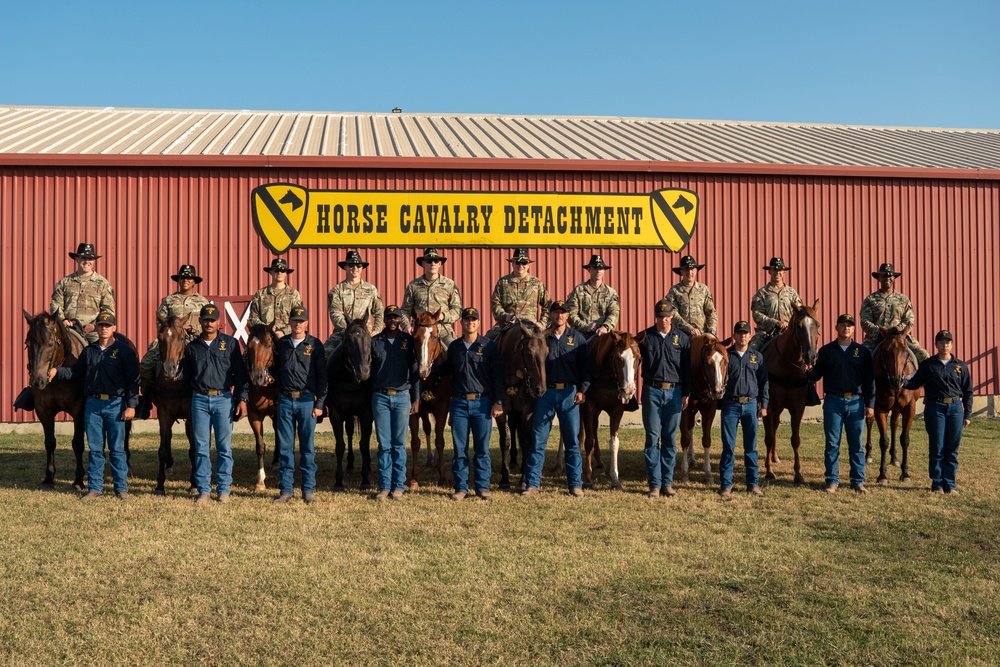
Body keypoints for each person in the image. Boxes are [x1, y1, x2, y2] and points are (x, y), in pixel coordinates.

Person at [50, 312, 138, 500]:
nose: (104, 328)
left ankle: (121, 488)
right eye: (101, 325)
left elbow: (132, 381)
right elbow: (76, 372)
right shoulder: (89, 351)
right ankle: (95, 488)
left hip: (115, 404)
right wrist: (57, 371)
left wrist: (131, 405)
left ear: (114, 328)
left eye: (108, 325)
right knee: (95, 449)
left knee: (116, 449)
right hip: (93, 405)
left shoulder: (124, 352)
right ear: (96, 328)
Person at [522, 301, 591, 498]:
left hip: (569, 393)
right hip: (546, 394)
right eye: (555, 313)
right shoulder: (543, 338)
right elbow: (532, 361)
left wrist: (582, 390)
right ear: (550, 316)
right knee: (538, 440)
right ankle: (533, 484)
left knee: (572, 441)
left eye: (563, 313)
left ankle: (574, 484)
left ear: (568, 316)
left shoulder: (577, 338)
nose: (559, 316)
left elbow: (586, 368)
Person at [183, 304, 249, 504]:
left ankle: (223, 489)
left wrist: (242, 399)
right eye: (205, 319)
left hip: (223, 399)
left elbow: (240, 374)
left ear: (219, 323)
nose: (209, 323)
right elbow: (187, 376)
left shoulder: (230, 344)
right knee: (201, 447)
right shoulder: (192, 347)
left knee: (224, 447)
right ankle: (203, 489)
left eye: (212, 320)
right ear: (200, 322)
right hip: (200, 400)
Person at [437, 307, 504, 500]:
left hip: (482, 403)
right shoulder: (455, 347)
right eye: (467, 320)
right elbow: (446, 372)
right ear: (462, 323)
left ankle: (482, 487)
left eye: (474, 320)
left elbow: (496, 376)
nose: (470, 323)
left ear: (478, 323)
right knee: (460, 449)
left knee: (482, 448)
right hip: (459, 403)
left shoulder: (489, 346)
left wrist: (498, 402)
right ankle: (461, 488)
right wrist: (427, 367)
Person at [805, 313, 875, 493]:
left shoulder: (862, 352)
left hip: (856, 402)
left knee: (856, 444)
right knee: (832, 443)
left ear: (853, 329)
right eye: (843, 325)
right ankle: (832, 481)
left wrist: (870, 404)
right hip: (833, 402)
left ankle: (858, 481)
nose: (846, 328)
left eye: (850, 325)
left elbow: (869, 381)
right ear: (836, 328)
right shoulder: (827, 351)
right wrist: (807, 371)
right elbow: (817, 374)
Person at [904, 330, 973, 494]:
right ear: (936, 345)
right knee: (937, 447)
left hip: (955, 409)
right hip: (935, 408)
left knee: (952, 448)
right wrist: (901, 382)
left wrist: (967, 414)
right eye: (941, 342)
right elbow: (915, 383)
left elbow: (968, 391)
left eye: (948, 342)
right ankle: (937, 484)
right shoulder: (928, 365)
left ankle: (950, 483)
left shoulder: (960, 366)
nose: (945, 345)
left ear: (952, 344)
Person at [271, 306, 328, 505]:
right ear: (290, 322)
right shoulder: (282, 344)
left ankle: (308, 490)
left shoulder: (315, 345)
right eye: (294, 320)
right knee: (285, 448)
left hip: (306, 401)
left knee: (307, 448)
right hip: (285, 400)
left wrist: (319, 403)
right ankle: (286, 490)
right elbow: (275, 369)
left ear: (306, 323)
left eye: (301, 321)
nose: (297, 324)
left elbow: (322, 377)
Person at [637, 299, 691, 498]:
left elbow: (686, 369)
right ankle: (654, 484)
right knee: (652, 438)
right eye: (660, 317)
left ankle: (667, 483)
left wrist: (687, 393)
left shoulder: (682, 338)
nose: (663, 320)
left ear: (672, 317)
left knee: (670, 439)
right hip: (652, 391)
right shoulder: (645, 337)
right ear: (656, 317)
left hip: (675, 392)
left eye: (667, 316)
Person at [370, 305, 420, 501]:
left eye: (396, 317)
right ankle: (384, 486)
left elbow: (415, 372)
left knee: (399, 444)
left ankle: (398, 485)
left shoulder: (408, 341)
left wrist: (416, 398)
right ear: (384, 319)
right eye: (389, 317)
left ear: (401, 320)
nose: (393, 320)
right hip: (380, 397)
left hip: (402, 397)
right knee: (384, 444)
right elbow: (368, 372)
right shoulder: (375, 342)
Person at [138, 264, 210, 396]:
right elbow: (160, 321)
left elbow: (208, 324)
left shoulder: (202, 302)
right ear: (178, 281)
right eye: (182, 278)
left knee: (209, 364)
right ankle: (147, 395)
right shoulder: (169, 301)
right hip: (171, 340)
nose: (185, 280)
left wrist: (193, 329)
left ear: (194, 282)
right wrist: (168, 333)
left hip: (195, 340)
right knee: (146, 363)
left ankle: (207, 395)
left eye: (189, 278)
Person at [718, 320, 768, 498]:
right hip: (730, 404)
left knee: (751, 447)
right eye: (739, 333)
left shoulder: (757, 356)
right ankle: (726, 485)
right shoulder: (727, 355)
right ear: (734, 336)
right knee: (728, 447)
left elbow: (764, 383)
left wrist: (764, 405)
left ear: (749, 336)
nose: (743, 336)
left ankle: (753, 484)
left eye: (746, 333)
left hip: (751, 405)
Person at [859, 262, 929, 361]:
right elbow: (865, 321)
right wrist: (879, 331)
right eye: (884, 276)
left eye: (890, 276)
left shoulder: (903, 299)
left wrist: (896, 331)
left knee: (924, 355)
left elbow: (909, 320)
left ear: (894, 278)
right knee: (860, 358)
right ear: (879, 278)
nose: (887, 278)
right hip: (876, 339)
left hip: (900, 337)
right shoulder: (870, 299)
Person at [50, 243, 115, 344]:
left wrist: (95, 326)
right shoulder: (64, 282)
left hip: (93, 334)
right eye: (83, 258)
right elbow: (56, 304)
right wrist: (63, 320)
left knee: (101, 356)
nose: (87, 261)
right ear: (77, 259)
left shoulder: (102, 284)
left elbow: (108, 310)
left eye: (90, 259)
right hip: (68, 330)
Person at [324, 250, 384, 358]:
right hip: (343, 333)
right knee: (324, 354)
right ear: (345, 267)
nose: (355, 268)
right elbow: (335, 314)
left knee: (382, 357)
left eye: (358, 265)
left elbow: (379, 312)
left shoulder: (371, 289)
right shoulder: (337, 290)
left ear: (362, 268)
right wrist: (349, 330)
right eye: (351, 265)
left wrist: (376, 331)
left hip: (366, 335)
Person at [401, 247, 462, 347]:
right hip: (419, 331)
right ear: (423, 264)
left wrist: (443, 316)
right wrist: (406, 326)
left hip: (442, 331)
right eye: (429, 261)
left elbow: (458, 310)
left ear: (439, 264)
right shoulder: (414, 285)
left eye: (435, 261)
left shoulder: (449, 284)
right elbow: (404, 310)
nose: (432, 263)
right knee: (403, 353)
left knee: (455, 352)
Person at [486, 248, 551, 339]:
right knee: (486, 343)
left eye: (524, 263)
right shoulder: (503, 282)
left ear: (528, 265)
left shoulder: (536, 283)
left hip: (530, 326)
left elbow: (548, 304)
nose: (521, 266)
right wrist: (505, 316)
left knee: (549, 346)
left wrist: (542, 323)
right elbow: (495, 304)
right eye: (517, 262)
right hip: (507, 325)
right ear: (512, 263)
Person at [749, 257, 802, 350]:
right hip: (766, 333)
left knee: (808, 351)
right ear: (769, 272)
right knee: (752, 351)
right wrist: (775, 322)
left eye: (780, 270)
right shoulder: (762, 293)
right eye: (774, 270)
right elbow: (756, 314)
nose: (777, 272)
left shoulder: (792, 293)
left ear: (784, 272)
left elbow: (800, 312)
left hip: (789, 332)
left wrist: (790, 325)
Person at [566, 253, 620, 340]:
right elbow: (571, 314)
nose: (598, 271)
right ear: (589, 269)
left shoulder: (611, 293)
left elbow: (614, 313)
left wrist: (605, 327)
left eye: (601, 268)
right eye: (595, 268)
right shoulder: (579, 290)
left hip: (603, 335)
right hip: (581, 335)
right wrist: (586, 327)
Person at [248, 258, 303, 339]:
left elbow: (298, 318)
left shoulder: (294, 294)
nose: (279, 273)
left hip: (287, 337)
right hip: (265, 337)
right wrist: (266, 328)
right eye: (276, 270)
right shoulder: (261, 294)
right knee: (249, 350)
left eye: (282, 271)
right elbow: (253, 317)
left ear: (286, 274)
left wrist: (283, 332)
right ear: (271, 272)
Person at [664, 255, 717, 336]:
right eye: (686, 269)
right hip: (681, 335)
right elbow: (673, 313)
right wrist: (689, 328)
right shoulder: (674, 290)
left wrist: (711, 331)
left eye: (692, 269)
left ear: (696, 270)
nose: (689, 272)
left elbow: (711, 312)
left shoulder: (704, 289)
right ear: (681, 271)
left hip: (701, 335)